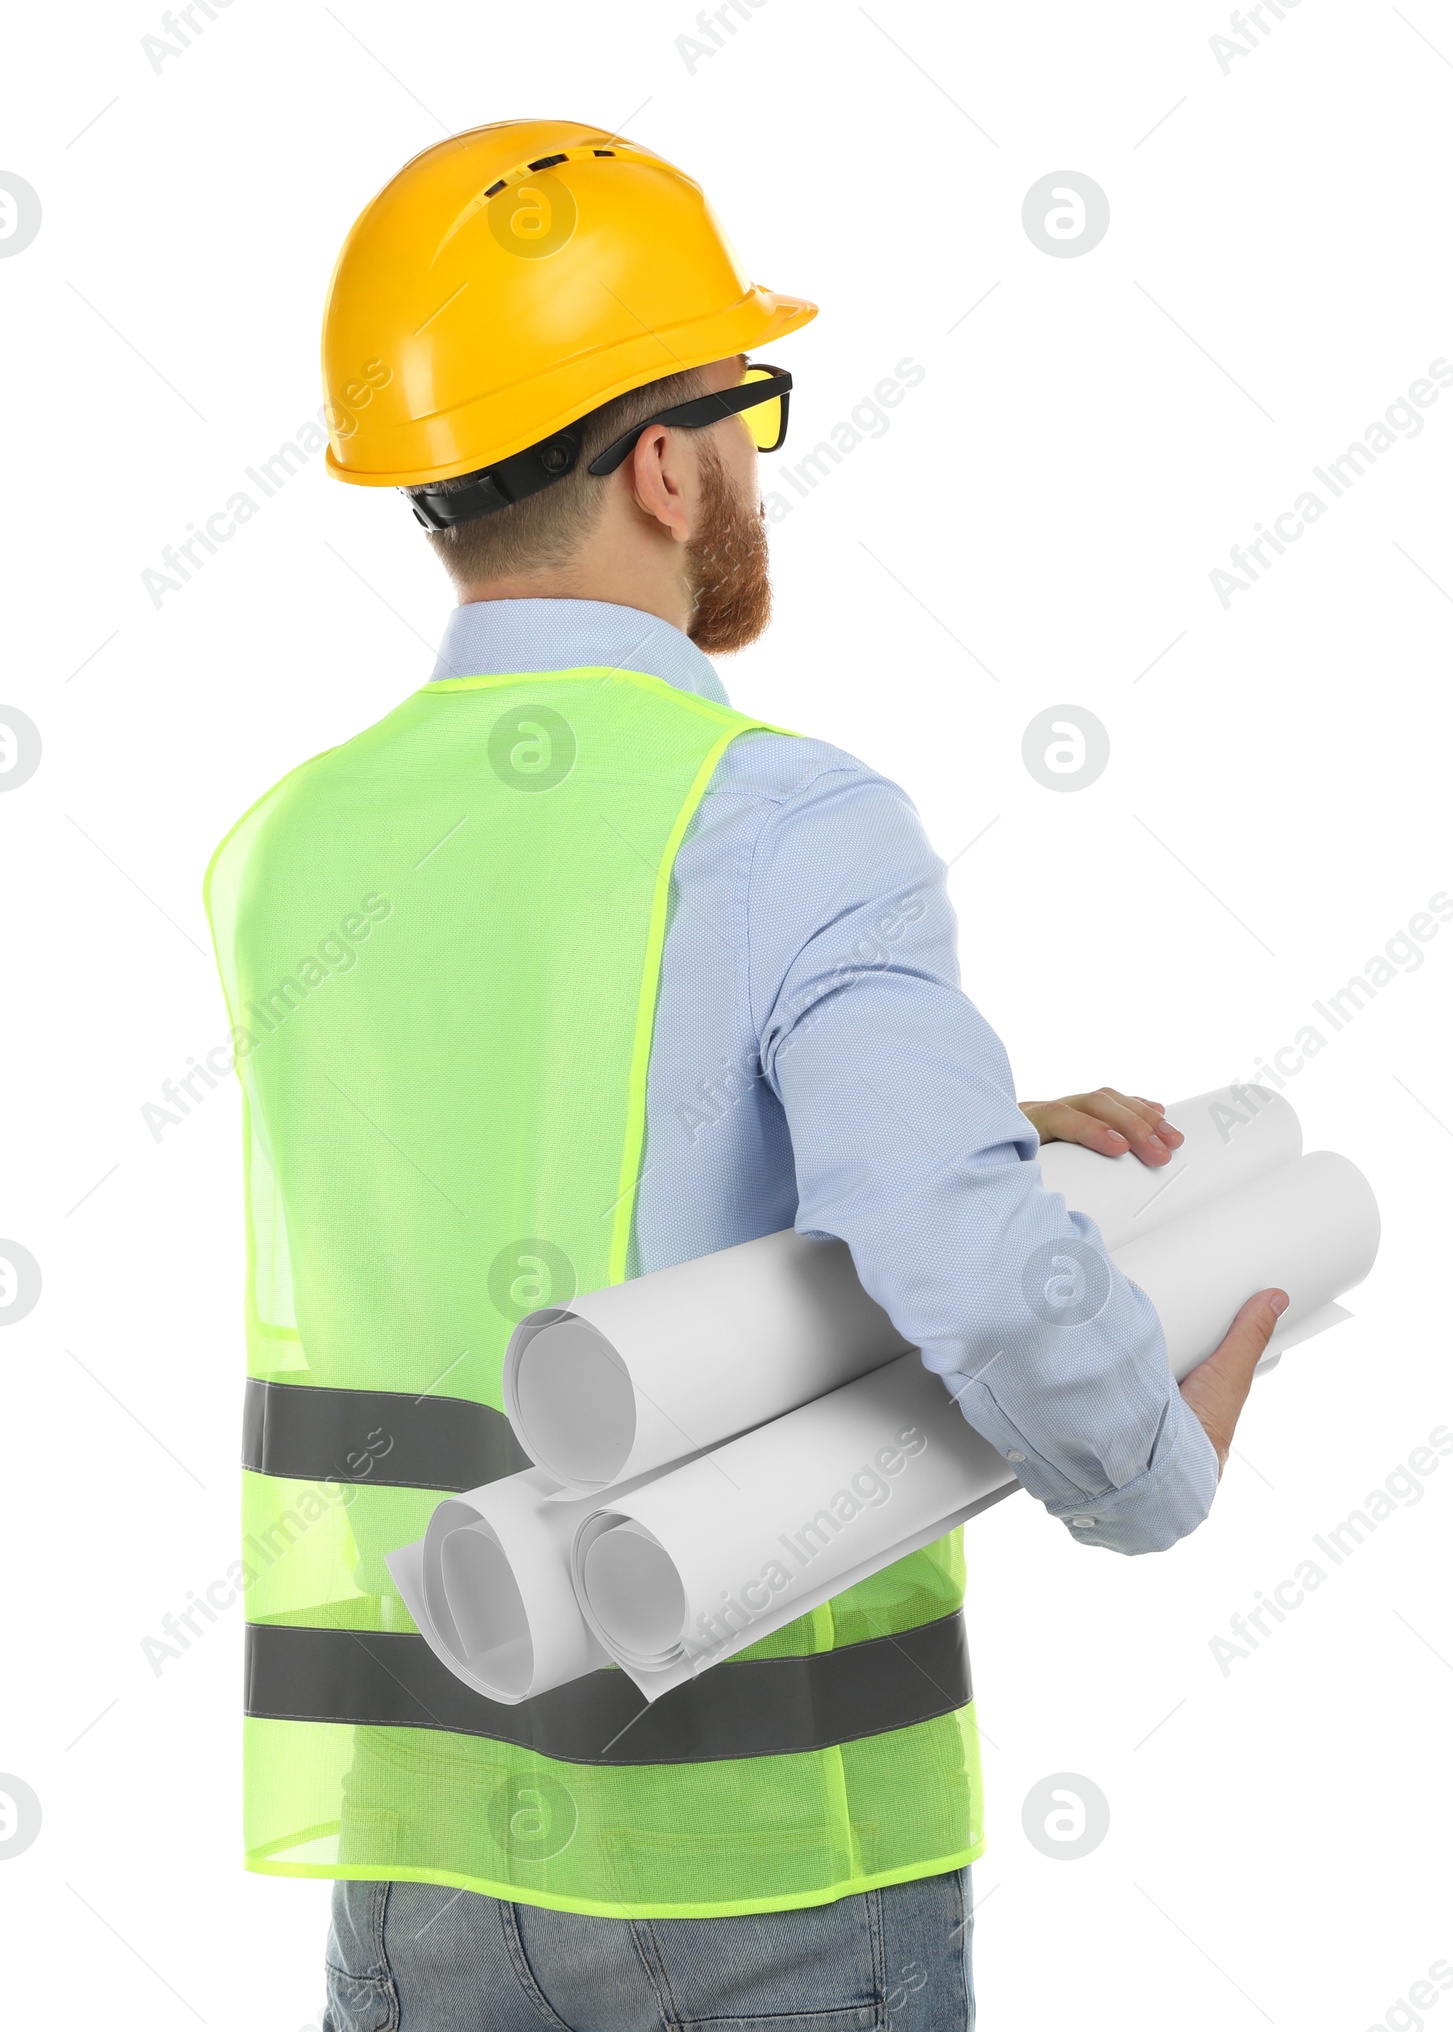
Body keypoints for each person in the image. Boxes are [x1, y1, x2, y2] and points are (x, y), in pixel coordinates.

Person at [207, 120, 1285, 2032]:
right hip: (763, 1871)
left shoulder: (296, 846)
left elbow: (499, 1169)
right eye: (745, 413)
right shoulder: (786, 818)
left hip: (418, 1858)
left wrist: (893, 1105)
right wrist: (1149, 1467)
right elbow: (952, 1255)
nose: (745, 468)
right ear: (661, 464)